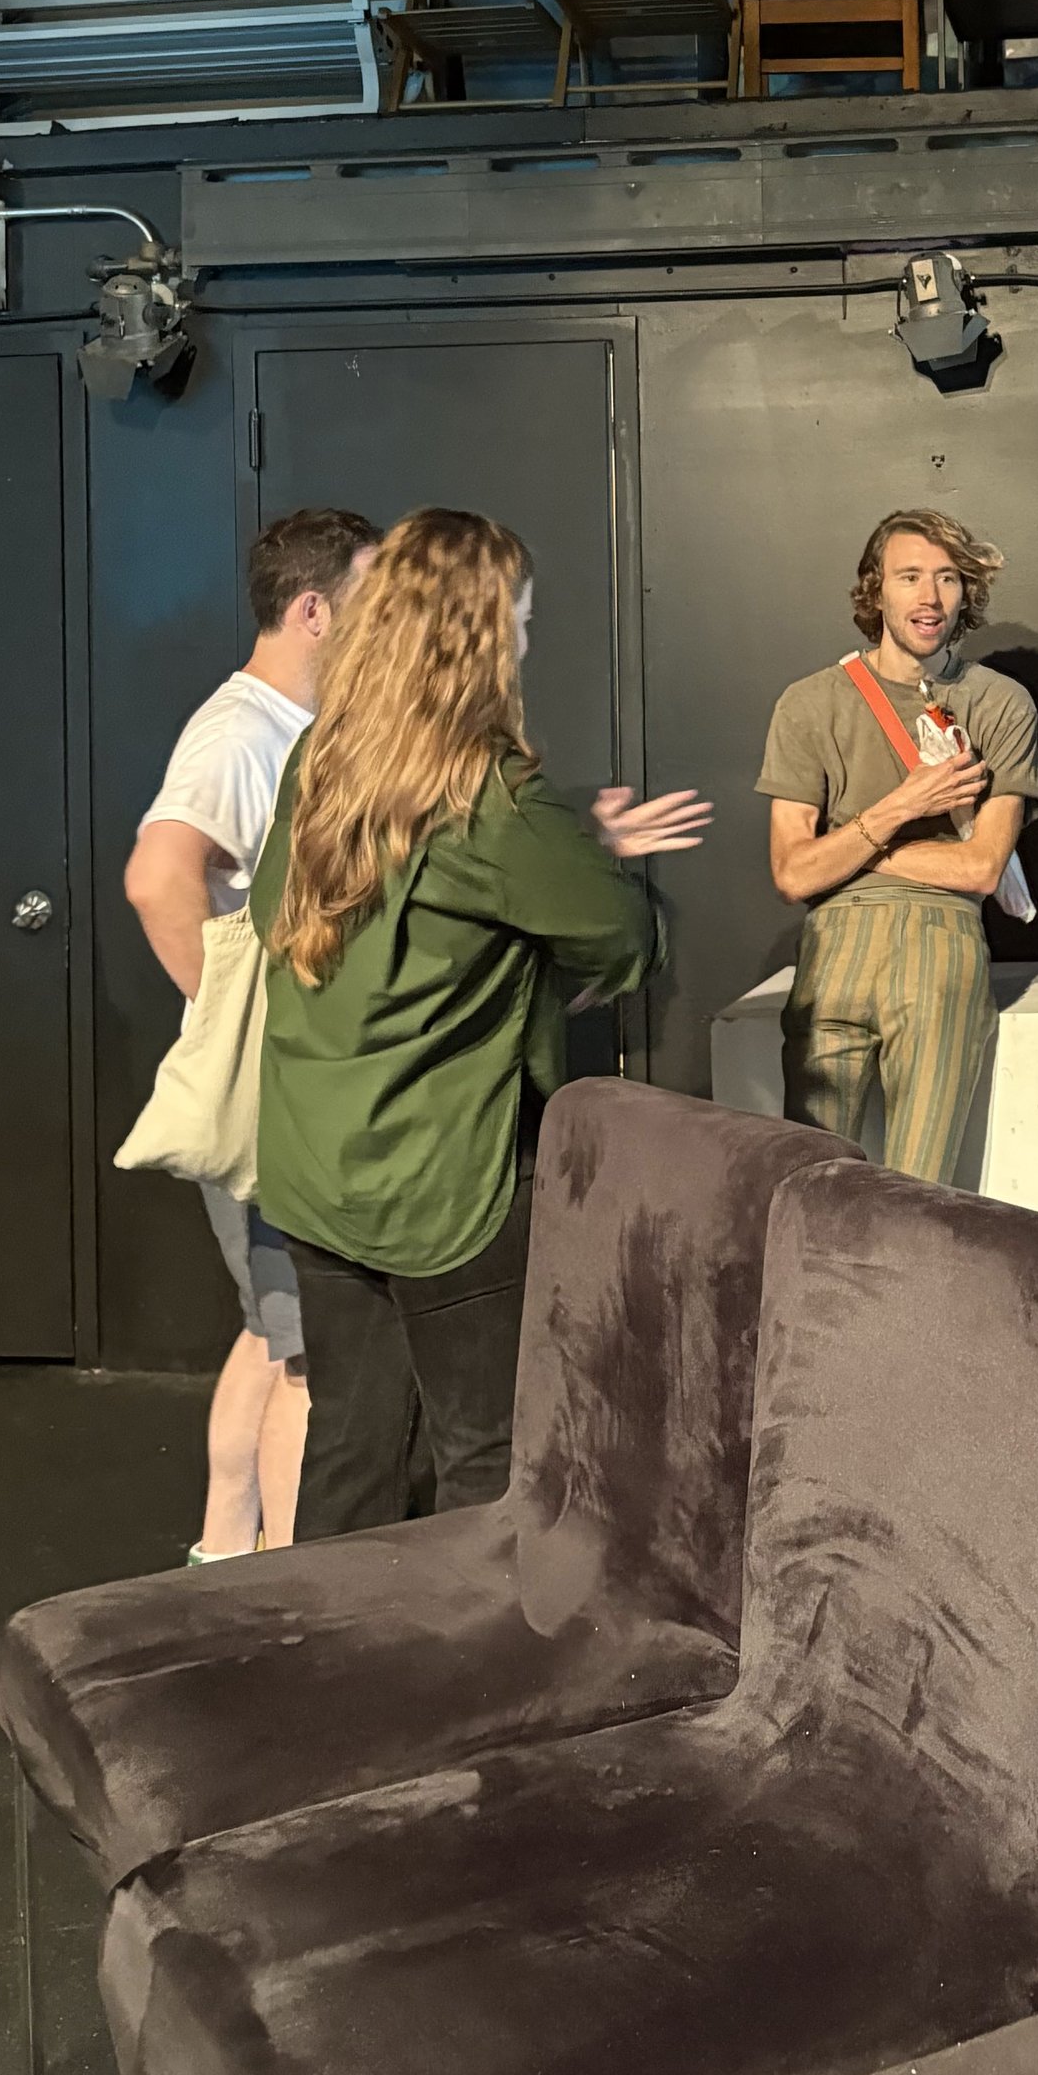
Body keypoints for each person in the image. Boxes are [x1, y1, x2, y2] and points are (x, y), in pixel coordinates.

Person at [252, 507, 708, 1536]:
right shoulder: (487, 793)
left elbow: (270, 912)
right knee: (486, 1459)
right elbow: (622, 936)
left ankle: (323, 1669)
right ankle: (452, 1679)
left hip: (314, 1168)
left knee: (352, 1445)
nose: (528, 643)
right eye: (522, 621)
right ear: (476, 637)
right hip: (445, 1182)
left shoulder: (319, 762)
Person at [124, 504, 381, 1560]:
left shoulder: (301, 731)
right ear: (315, 610)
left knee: (270, 1331)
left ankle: (222, 1555)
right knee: (312, 1349)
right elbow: (155, 880)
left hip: (290, 1093)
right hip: (278, 1098)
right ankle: (283, 1595)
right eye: (373, 599)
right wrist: (235, 1023)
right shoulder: (240, 734)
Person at [759, 510, 1038, 1185]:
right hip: (833, 951)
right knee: (809, 1185)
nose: (930, 597)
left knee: (920, 1194)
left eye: (948, 578)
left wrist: (853, 845)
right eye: (910, 576)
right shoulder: (809, 703)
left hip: (939, 949)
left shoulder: (1001, 702)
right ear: (875, 590)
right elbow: (792, 872)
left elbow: (980, 867)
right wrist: (902, 807)